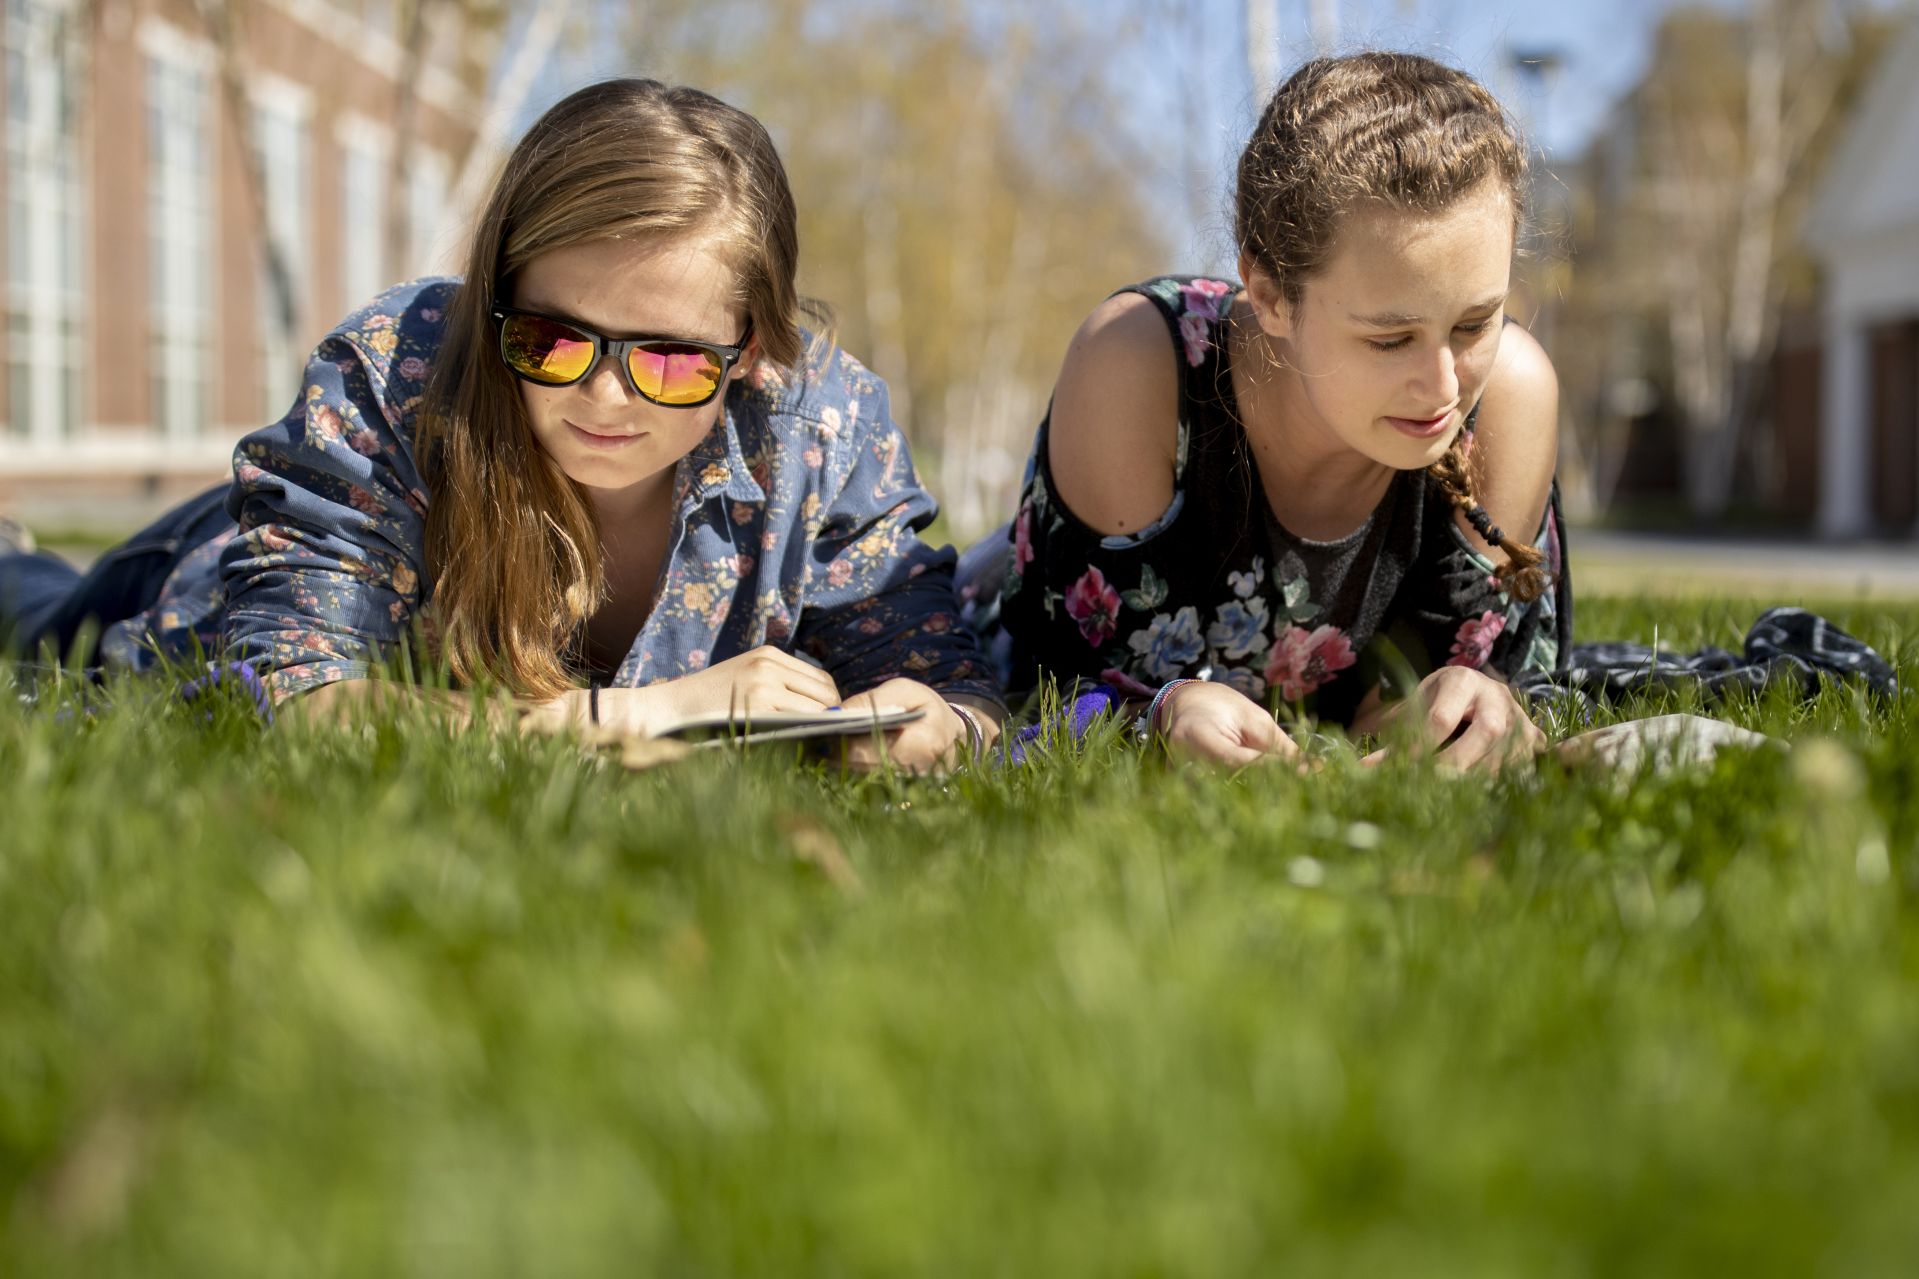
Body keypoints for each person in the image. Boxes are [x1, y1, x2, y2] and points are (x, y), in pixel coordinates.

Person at [0, 79, 1000, 770]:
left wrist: (925, 724)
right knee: (31, 611)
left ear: (749, 351)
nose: (604, 399)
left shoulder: (823, 427)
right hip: (199, 581)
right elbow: (294, 701)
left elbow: (956, 687)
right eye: (554, 340)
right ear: (496, 300)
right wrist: (628, 717)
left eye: (666, 358)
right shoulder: (397, 366)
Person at [964, 51, 1567, 769]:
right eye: (1389, 338)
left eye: (1472, 325)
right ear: (1271, 293)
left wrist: (1469, 704)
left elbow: (1407, 705)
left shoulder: (1510, 393)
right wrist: (1154, 716)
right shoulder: (1137, 367)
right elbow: (1049, 684)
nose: (1442, 388)